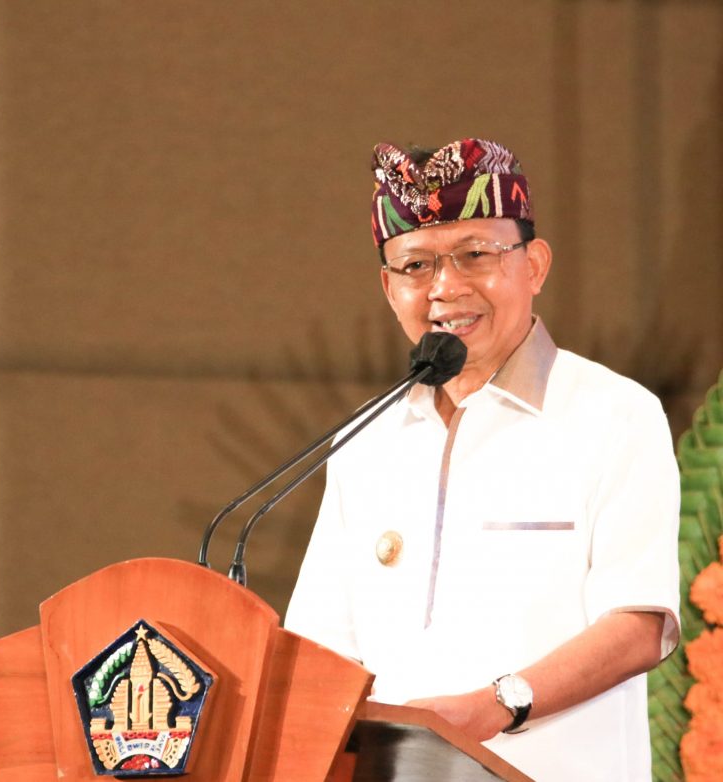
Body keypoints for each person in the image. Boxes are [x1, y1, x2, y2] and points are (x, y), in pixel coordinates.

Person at [285, 137, 680, 781]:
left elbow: (638, 625)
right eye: (416, 266)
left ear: (535, 265)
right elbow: (320, 648)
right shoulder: (367, 439)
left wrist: (495, 706)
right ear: (389, 287)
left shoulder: (614, 414)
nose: (446, 287)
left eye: (475, 255)